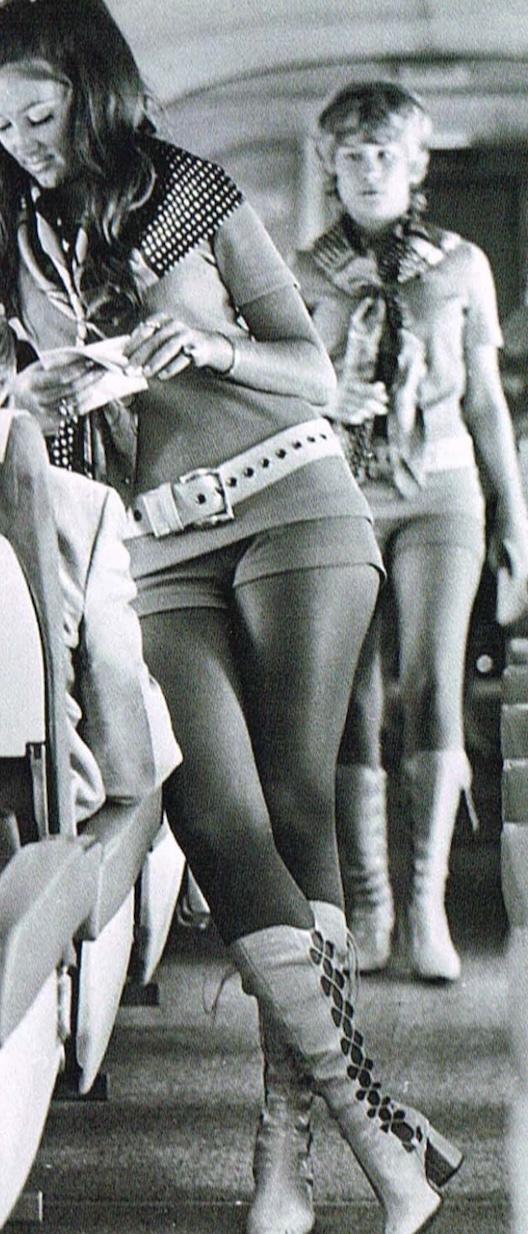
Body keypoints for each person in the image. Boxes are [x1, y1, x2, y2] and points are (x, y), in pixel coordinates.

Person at [0, 6, 462, 1232]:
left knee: (294, 803)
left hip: (295, 505)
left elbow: (312, 374)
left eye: (41, 112)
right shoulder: (0, 235)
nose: (22, 141)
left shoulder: (194, 190)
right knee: (219, 816)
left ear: (92, 90)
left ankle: (283, 1158)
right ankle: (381, 1135)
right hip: (158, 545)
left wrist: (213, 345)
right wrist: (32, 391)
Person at [293, 81, 528, 982]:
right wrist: (325, 396)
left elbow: (483, 404)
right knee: (350, 698)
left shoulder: (461, 265)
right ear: (329, 165)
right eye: (350, 154)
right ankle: (372, 907)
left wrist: (515, 514)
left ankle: (427, 906)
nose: (366, 170)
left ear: (418, 165)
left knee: (432, 679)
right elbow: (281, 396)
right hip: (343, 494)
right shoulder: (305, 272)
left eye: (384, 153)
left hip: (441, 490)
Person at [0, 283, 181, 830]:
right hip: (30, 836)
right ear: (4, 393)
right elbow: (129, 761)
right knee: (149, 793)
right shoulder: (82, 509)